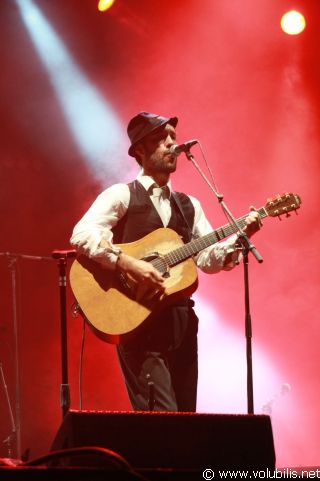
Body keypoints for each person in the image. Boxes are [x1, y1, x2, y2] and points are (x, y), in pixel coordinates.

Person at [70, 112, 262, 412]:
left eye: (173, 136)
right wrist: (128, 264)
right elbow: (82, 235)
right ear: (140, 151)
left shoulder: (188, 205)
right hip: (138, 324)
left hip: (182, 323)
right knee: (162, 422)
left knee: (186, 419)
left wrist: (240, 236)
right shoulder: (122, 195)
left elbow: (208, 260)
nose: (172, 143)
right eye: (161, 138)